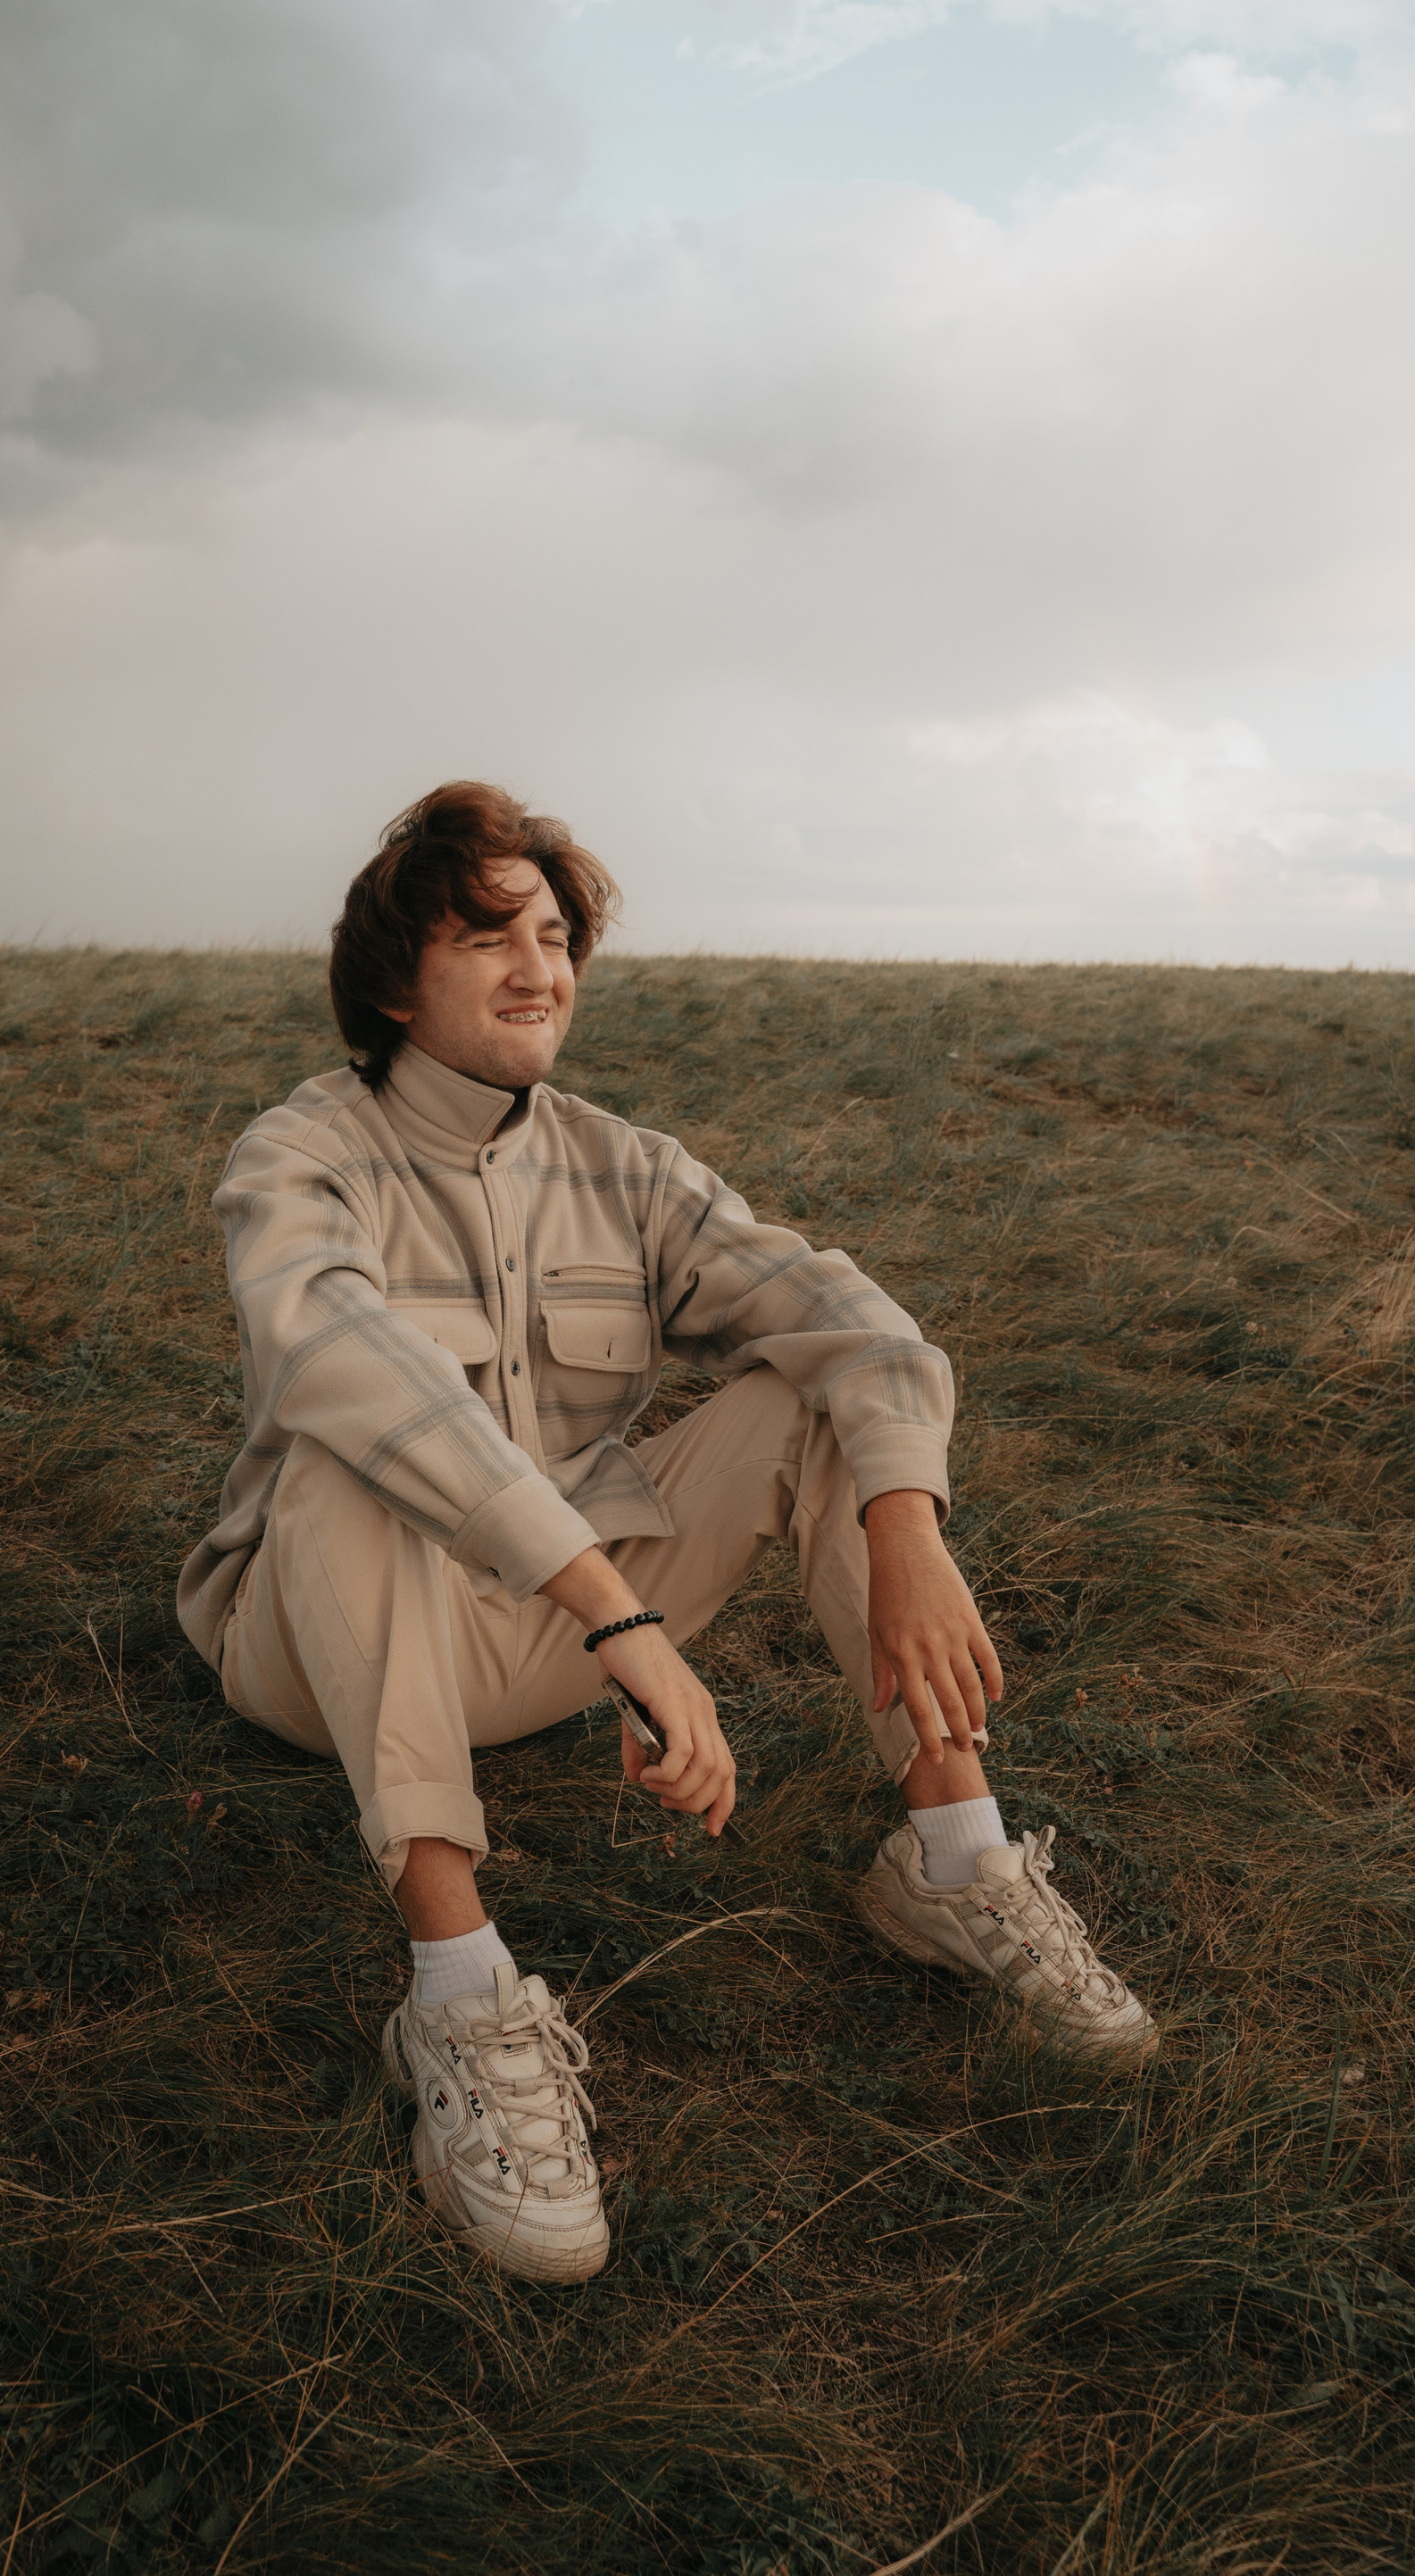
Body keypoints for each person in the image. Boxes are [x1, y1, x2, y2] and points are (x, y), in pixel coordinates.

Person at [178, 781, 1155, 2284]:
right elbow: (340, 1360)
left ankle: (956, 1860)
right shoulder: (301, 1154)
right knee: (348, 1456)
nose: (539, 970)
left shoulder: (624, 1167)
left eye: (554, 937)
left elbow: (844, 1315)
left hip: (542, 1642)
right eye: (488, 937)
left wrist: (905, 1524)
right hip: (317, 1653)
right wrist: (615, 1612)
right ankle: (460, 1992)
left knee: (821, 1400)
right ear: (394, 983)